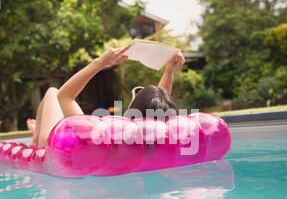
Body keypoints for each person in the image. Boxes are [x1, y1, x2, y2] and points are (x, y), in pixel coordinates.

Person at [27, 45, 185, 147]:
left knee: (52, 92)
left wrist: (100, 62)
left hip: (48, 145)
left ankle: (36, 135)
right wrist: (169, 71)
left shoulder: (104, 136)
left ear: (133, 111)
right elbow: (158, 111)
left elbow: (64, 96)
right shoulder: (162, 142)